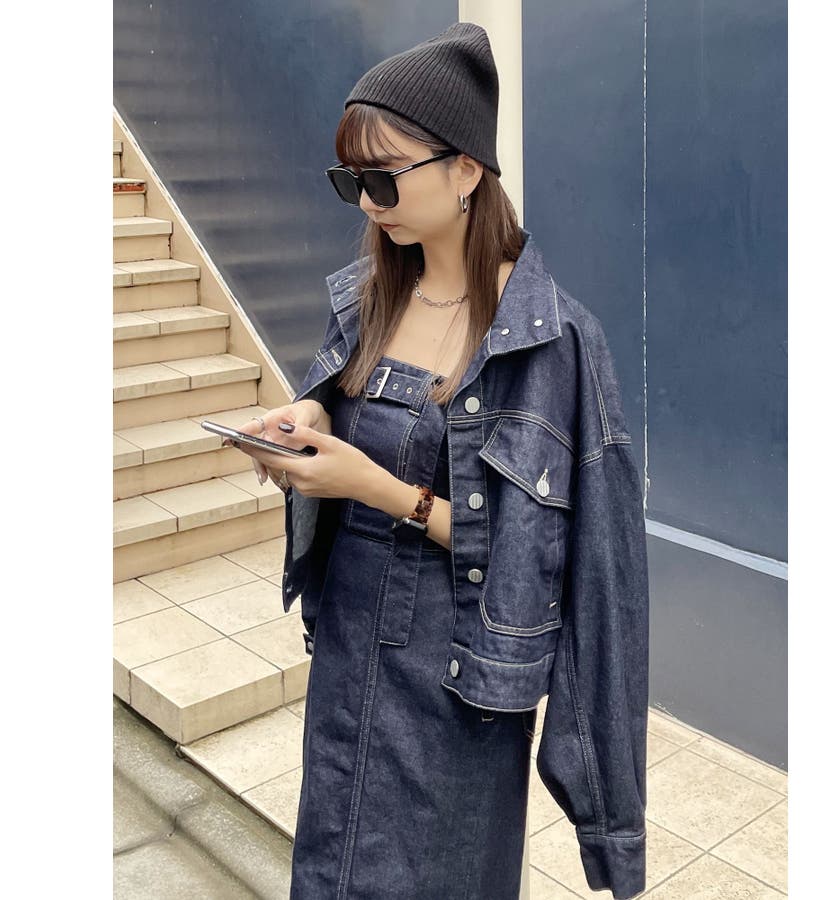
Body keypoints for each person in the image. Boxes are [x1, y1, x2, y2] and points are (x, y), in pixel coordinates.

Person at [226, 21, 649, 900]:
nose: (366, 201)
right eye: (351, 179)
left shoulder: (558, 345)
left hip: (459, 692)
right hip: (348, 658)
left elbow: (589, 582)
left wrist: (378, 489)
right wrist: (311, 414)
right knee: (332, 874)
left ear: (466, 170)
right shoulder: (369, 299)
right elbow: (347, 412)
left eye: (383, 177)